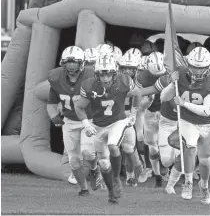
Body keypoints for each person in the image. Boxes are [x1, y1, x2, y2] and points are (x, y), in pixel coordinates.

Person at [74, 52, 142, 204]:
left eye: (108, 75)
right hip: (98, 126)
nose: (105, 78)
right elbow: (79, 107)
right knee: (104, 163)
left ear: (114, 73)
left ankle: (117, 178)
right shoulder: (89, 85)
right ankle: (112, 193)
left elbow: (137, 94)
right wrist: (86, 123)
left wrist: (134, 113)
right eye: (102, 75)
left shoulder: (124, 81)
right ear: (97, 75)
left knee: (113, 145)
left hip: (117, 122)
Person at [161, 47, 210, 205]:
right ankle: (188, 183)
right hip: (187, 121)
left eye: (201, 67)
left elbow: (206, 110)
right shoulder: (181, 73)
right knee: (190, 147)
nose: (197, 71)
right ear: (188, 64)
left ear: (209, 66)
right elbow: (163, 97)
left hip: (207, 123)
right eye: (195, 66)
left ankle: (204, 186)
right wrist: (172, 83)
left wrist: (183, 103)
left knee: (204, 159)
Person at [47, 46, 102, 196]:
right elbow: (51, 103)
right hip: (70, 121)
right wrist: (54, 116)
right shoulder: (56, 78)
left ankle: (94, 169)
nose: (71, 65)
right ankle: (84, 189)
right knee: (73, 160)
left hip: (89, 119)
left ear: (82, 63)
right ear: (62, 63)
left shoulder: (91, 75)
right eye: (68, 62)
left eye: (74, 62)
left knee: (87, 152)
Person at [135, 51, 169, 187]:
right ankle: (157, 175)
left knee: (167, 144)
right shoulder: (141, 77)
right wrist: (143, 103)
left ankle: (166, 170)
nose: (157, 78)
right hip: (148, 111)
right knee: (151, 144)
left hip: (167, 112)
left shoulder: (169, 73)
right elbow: (136, 98)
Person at [117, 48, 147, 187]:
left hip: (131, 115)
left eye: (131, 68)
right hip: (113, 116)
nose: (128, 71)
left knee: (129, 147)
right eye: (125, 68)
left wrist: (134, 113)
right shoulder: (112, 80)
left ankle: (130, 175)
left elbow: (144, 101)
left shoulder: (139, 83)